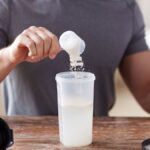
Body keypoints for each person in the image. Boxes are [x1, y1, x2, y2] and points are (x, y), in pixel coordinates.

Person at [0, 0, 149, 116]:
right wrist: (11, 55)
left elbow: (147, 93)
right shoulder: (10, 4)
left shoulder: (124, 8)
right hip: (25, 139)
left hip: (94, 137)